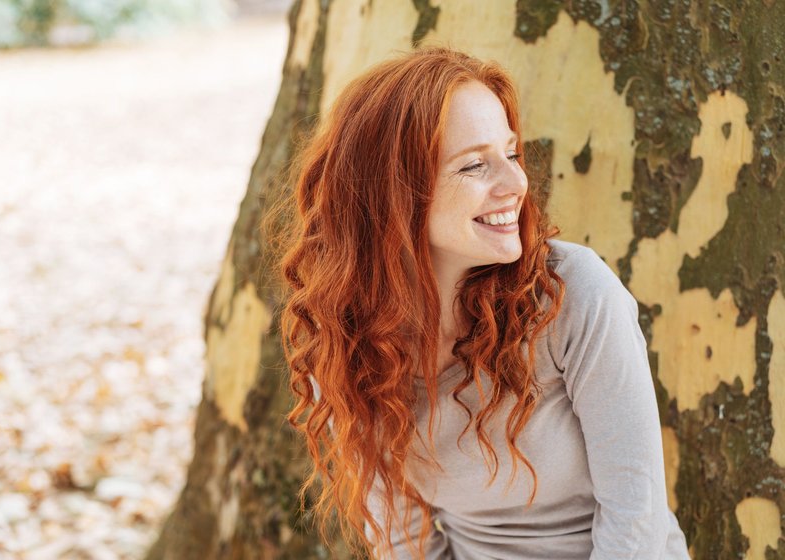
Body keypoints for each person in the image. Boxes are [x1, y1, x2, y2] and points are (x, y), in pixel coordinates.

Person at [267, 47, 691, 559]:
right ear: (393, 194)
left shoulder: (574, 293)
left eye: (511, 154)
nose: (517, 183)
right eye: (474, 165)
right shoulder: (342, 337)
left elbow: (636, 521)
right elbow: (403, 542)